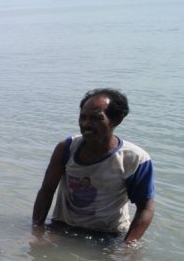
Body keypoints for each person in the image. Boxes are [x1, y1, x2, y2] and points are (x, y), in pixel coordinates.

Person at [32, 88, 154, 243]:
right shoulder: (67, 148)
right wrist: (37, 229)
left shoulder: (134, 159)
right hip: (63, 227)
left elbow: (145, 208)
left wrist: (127, 246)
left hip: (109, 235)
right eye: (83, 117)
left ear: (117, 119)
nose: (86, 124)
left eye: (96, 118)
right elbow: (47, 190)